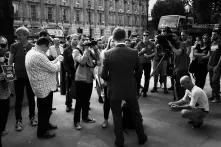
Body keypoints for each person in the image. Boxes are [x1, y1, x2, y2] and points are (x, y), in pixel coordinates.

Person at [101, 27, 147, 147]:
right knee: (136, 113)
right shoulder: (133, 52)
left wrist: (112, 80)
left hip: (115, 89)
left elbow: (104, 75)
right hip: (130, 88)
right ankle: (141, 137)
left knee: (116, 115)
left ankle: (119, 141)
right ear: (125, 36)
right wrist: (134, 82)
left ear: (114, 37)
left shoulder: (108, 53)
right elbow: (139, 71)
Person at [25, 37, 62, 139]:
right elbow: (54, 68)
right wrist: (59, 61)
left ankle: (46, 125)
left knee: (46, 110)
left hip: (43, 86)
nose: (48, 49)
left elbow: (47, 65)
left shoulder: (31, 52)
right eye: (47, 47)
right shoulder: (38, 55)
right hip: (43, 88)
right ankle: (42, 132)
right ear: (43, 45)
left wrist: (56, 60)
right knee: (44, 112)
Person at [8, 26, 37, 131]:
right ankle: (18, 120)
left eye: (20, 34)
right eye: (17, 34)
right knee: (18, 99)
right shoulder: (14, 46)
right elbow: (10, 62)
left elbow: (35, 62)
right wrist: (10, 78)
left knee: (31, 98)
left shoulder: (33, 46)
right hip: (19, 77)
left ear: (26, 35)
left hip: (30, 77)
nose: (18, 36)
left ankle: (32, 117)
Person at [72, 35, 99, 130]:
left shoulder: (89, 50)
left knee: (86, 100)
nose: (85, 41)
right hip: (80, 79)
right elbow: (82, 61)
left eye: (86, 40)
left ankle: (85, 117)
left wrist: (95, 48)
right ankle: (76, 122)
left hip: (89, 79)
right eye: (83, 40)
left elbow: (98, 59)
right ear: (79, 41)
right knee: (79, 101)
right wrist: (87, 49)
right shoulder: (76, 51)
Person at [168, 32, 190, 100]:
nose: (173, 38)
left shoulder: (181, 44)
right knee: (177, 86)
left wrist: (171, 46)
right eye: (172, 36)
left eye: (174, 36)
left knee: (181, 86)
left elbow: (178, 52)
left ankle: (182, 101)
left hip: (182, 68)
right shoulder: (175, 44)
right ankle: (180, 100)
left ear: (178, 37)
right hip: (176, 68)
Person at [100, 36, 115, 129]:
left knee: (117, 101)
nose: (113, 43)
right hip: (107, 81)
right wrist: (103, 80)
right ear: (109, 42)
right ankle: (105, 119)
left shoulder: (119, 52)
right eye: (112, 41)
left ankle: (117, 120)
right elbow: (102, 68)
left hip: (117, 81)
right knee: (107, 102)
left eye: (115, 41)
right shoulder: (104, 53)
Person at [135, 30, 155, 97]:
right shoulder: (139, 43)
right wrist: (141, 51)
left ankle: (145, 91)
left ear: (149, 36)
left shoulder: (151, 44)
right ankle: (137, 91)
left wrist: (149, 56)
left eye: (146, 35)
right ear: (142, 36)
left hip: (148, 63)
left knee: (147, 77)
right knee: (138, 77)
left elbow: (155, 52)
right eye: (144, 35)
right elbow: (136, 53)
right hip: (140, 63)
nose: (145, 36)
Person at [63, 34, 78, 112]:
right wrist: (69, 72)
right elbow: (65, 63)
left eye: (77, 39)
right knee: (69, 90)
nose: (75, 41)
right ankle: (68, 105)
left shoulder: (80, 49)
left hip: (79, 73)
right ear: (70, 40)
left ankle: (82, 104)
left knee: (80, 89)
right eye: (74, 39)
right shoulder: (66, 50)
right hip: (70, 73)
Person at [0, 36, 10, 147]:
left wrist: (8, 76)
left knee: (4, 116)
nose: (1, 47)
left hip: (5, 93)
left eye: (3, 45)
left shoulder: (6, 58)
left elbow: (10, 76)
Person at [208, 24, 221, 103]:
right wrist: (208, 64)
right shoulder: (212, 43)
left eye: (214, 34)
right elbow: (210, 54)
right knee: (211, 81)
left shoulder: (220, 42)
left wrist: (217, 66)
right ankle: (213, 95)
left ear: (218, 35)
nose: (212, 35)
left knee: (215, 81)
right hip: (210, 65)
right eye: (212, 34)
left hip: (217, 65)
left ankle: (217, 97)